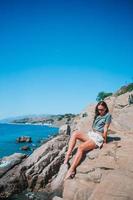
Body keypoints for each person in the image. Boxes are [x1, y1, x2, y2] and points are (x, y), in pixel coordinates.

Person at [64, 101, 112, 180]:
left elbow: (105, 129)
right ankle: (68, 155)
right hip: (92, 134)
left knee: (81, 148)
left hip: (98, 137)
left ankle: (71, 169)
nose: (100, 111)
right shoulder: (98, 115)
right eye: (98, 109)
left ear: (105, 108)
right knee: (75, 133)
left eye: (102, 109)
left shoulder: (108, 115)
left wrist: (105, 141)